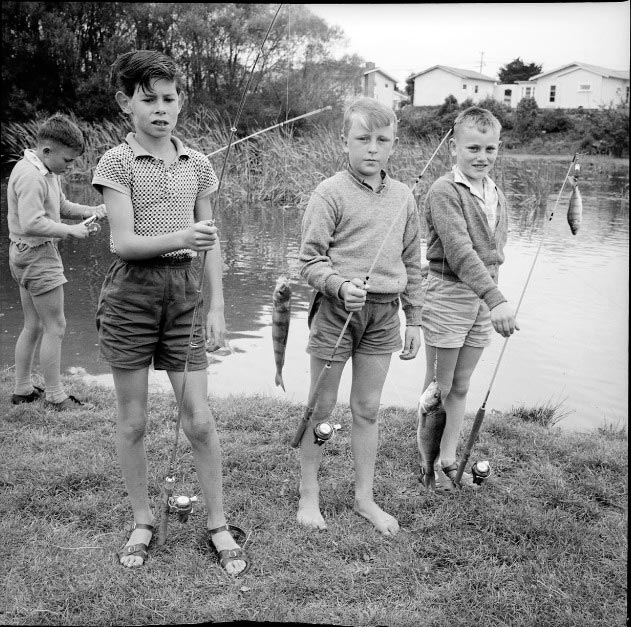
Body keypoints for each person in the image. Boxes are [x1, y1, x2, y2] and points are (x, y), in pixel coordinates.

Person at [91, 50, 249, 574]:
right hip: (132, 295)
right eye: (148, 98)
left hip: (185, 297)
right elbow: (123, 243)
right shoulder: (114, 163)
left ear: (180, 102)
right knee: (133, 422)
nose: (161, 108)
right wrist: (183, 235)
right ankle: (142, 520)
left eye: (170, 98)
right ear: (125, 103)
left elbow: (212, 244)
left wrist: (218, 306)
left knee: (199, 420)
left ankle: (219, 523)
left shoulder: (199, 164)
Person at [297, 97, 423, 536]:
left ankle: (364, 498)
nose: (372, 148)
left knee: (367, 408)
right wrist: (339, 285)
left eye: (382, 140)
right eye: (363, 139)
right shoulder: (328, 193)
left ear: (393, 145)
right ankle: (309, 495)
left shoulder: (405, 195)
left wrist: (416, 318)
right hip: (336, 313)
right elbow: (309, 261)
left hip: (385, 315)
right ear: (345, 142)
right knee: (322, 407)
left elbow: (414, 261)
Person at [419, 106, 518, 492]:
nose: (482, 157)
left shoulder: (496, 192)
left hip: (481, 300)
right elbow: (460, 252)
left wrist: (490, 298)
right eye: (473, 148)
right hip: (448, 295)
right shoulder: (444, 191)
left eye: (490, 149)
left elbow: (494, 252)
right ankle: (428, 465)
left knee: (461, 386)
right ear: (453, 149)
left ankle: (448, 458)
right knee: (437, 392)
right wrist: (497, 299)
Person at [7, 114, 107, 410]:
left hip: (23, 253)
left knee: (34, 325)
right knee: (56, 326)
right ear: (47, 150)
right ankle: (55, 395)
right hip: (38, 256)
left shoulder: (44, 171)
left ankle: (22, 389)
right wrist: (70, 231)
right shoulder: (31, 176)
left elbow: (60, 207)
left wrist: (94, 210)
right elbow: (32, 222)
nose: (70, 166)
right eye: (68, 160)